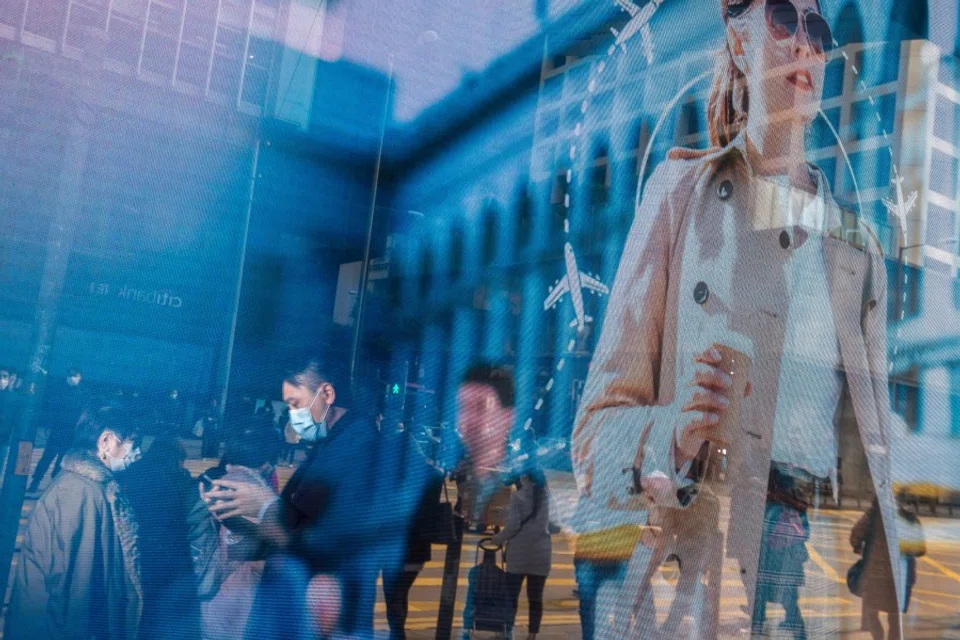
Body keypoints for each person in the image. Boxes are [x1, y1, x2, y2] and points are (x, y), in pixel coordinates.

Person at [572, 1, 903, 637]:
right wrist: (674, 430)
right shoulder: (678, 198)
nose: (807, 46)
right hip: (691, 591)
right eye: (784, 17)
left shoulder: (858, 251)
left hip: (807, 592)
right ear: (740, 40)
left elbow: (874, 467)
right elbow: (592, 436)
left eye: (820, 31)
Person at [202, 360, 390, 638]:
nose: (292, 414)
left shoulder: (358, 446)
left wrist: (266, 505)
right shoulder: (333, 443)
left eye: (295, 403)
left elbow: (335, 536)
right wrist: (242, 518)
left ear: (326, 394)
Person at [5, 405, 142, 640]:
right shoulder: (81, 493)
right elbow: (75, 590)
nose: (137, 452)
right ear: (106, 441)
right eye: (131, 442)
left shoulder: (88, 487)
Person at [121, 434, 222, 640]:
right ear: (178, 459)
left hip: (133, 558)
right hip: (171, 565)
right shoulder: (185, 486)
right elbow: (199, 535)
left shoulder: (127, 478)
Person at [200, 420, 282, 640]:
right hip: (238, 594)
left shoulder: (220, 480)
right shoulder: (249, 493)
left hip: (213, 589)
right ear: (265, 462)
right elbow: (253, 559)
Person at [380, 419, 445, 640]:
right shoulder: (432, 476)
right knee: (400, 595)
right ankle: (396, 635)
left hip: (396, 548)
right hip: (418, 549)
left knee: (393, 598)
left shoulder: (394, 477)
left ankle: (397, 636)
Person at [492, 470, 552, 640]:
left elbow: (513, 526)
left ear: (524, 477)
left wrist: (497, 539)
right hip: (541, 555)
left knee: (511, 596)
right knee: (535, 598)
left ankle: (507, 632)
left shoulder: (518, 497)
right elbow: (555, 526)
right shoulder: (547, 497)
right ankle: (532, 635)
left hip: (518, 554)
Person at [28, 366, 86, 492]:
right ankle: (35, 482)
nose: (72, 378)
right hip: (58, 431)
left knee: (61, 462)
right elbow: (52, 410)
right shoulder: (61, 390)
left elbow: (82, 414)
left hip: (70, 433)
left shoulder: (82, 394)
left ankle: (53, 486)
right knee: (47, 458)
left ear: (80, 377)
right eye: (70, 375)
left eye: (75, 375)